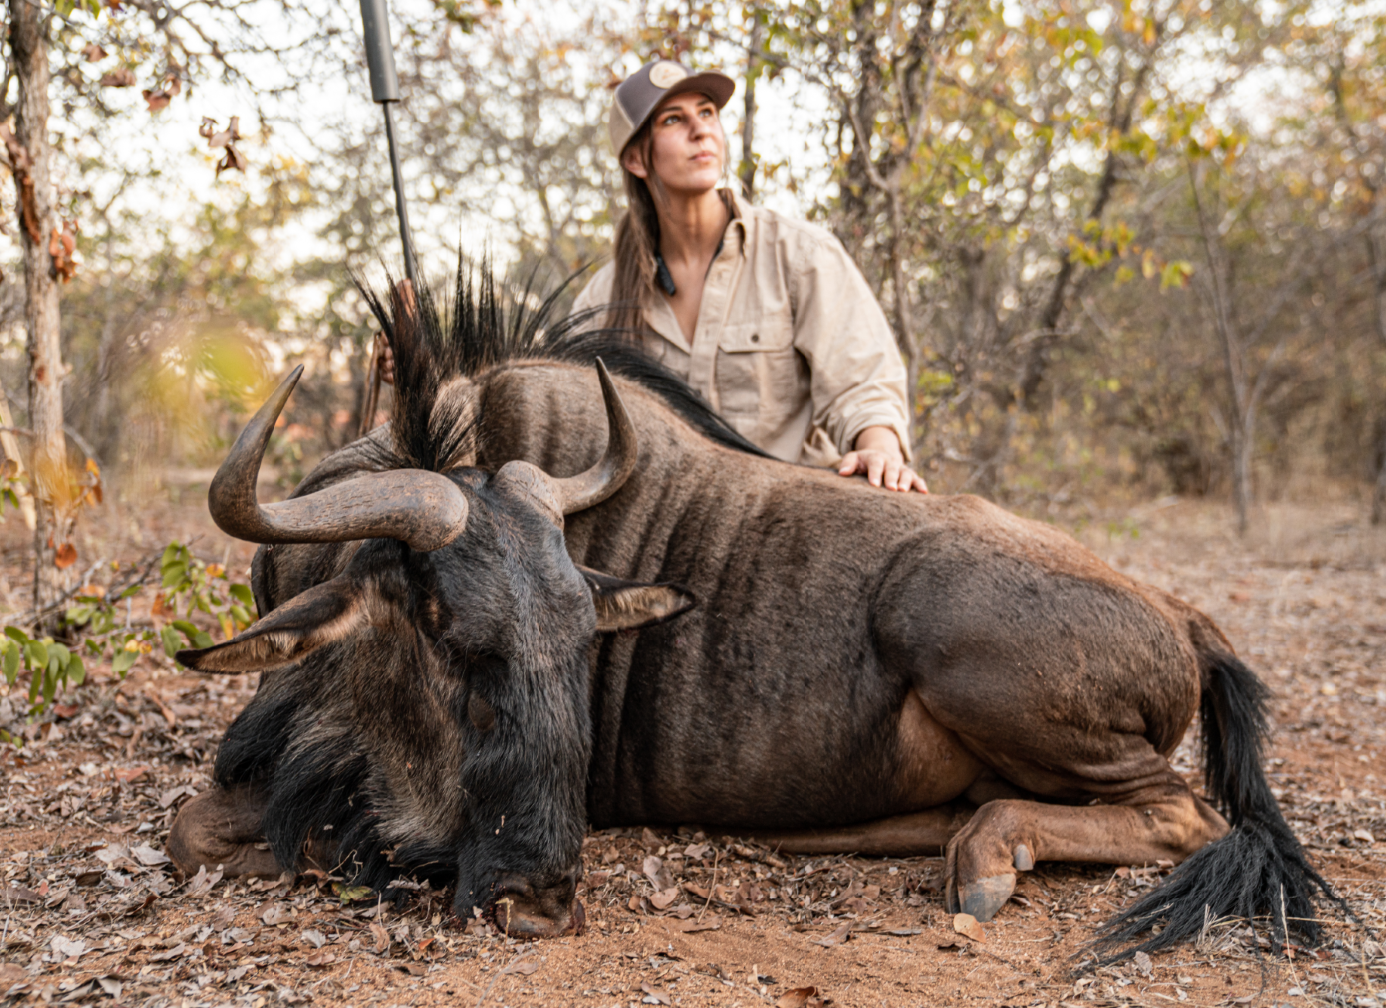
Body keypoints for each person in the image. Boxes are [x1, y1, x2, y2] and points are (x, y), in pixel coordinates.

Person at [572, 58, 925, 493]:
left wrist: (879, 448)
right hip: (657, 539)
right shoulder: (601, 300)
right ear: (635, 159)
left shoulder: (800, 256)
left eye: (707, 113)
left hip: (788, 519)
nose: (700, 130)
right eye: (673, 119)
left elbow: (864, 383)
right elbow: (570, 421)